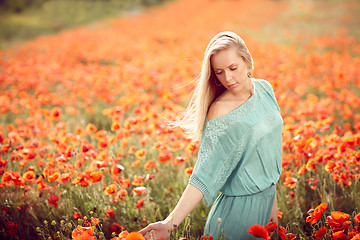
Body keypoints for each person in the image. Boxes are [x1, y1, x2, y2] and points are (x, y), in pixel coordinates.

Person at [139, 31, 283, 240]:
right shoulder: (220, 112)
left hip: (267, 204)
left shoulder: (265, 89)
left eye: (233, 68)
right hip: (237, 217)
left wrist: (273, 214)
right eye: (219, 72)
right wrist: (170, 223)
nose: (228, 78)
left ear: (247, 60)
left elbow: (268, 158)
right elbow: (203, 175)